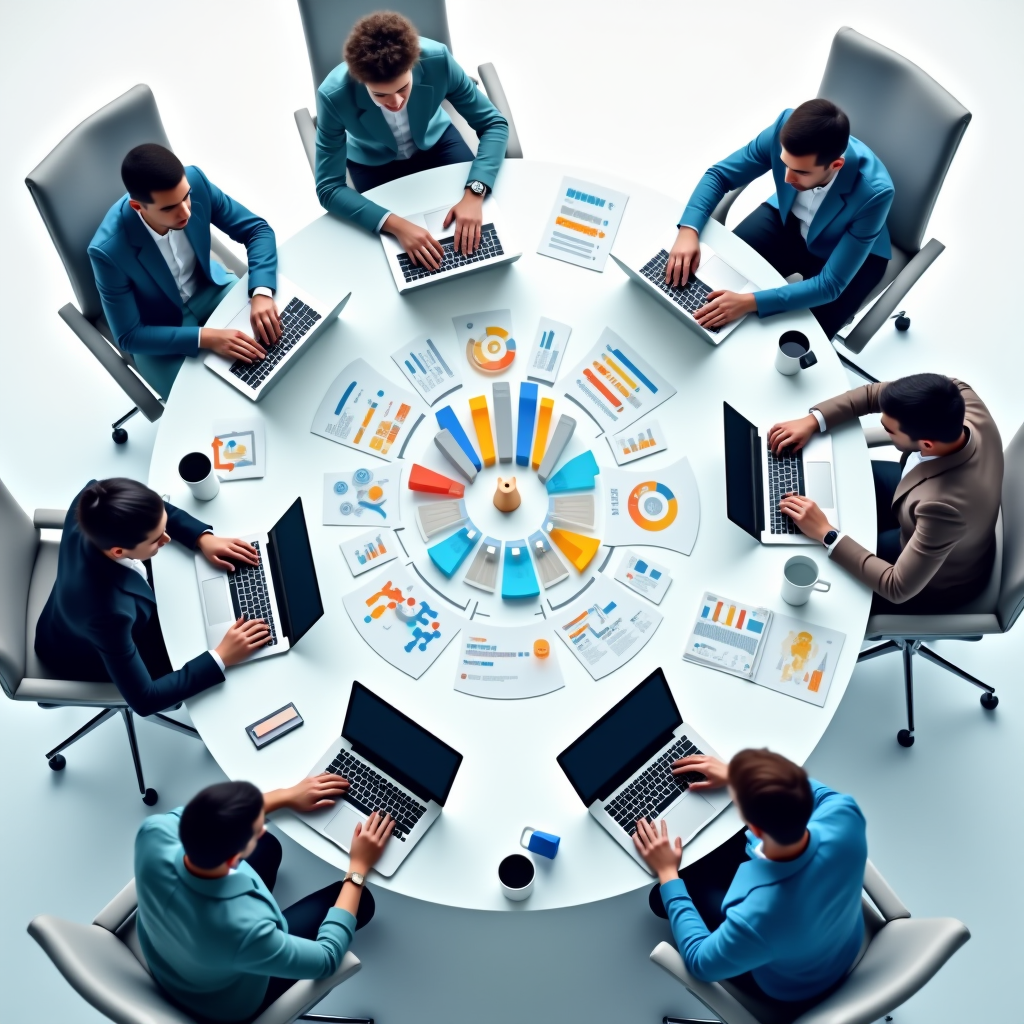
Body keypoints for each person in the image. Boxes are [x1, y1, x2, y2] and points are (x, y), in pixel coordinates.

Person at [135, 775, 393, 1022]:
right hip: (223, 1003)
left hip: (168, 960)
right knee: (362, 901)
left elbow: (214, 817)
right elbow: (326, 959)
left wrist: (287, 795)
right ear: (234, 859)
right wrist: (358, 867)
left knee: (268, 846)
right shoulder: (246, 932)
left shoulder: (153, 832)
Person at [638, 749, 867, 1021]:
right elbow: (815, 793)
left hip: (794, 989)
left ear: (755, 829)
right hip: (846, 944)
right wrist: (741, 778)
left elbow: (699, 961)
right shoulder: (846, 816)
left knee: (662, 896)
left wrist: (666, 872)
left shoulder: (756, 918)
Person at [35, 477, 271, 716]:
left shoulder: (93, 500)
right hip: (85, 653)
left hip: (77, 611)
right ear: (118, 551)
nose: (166, 539)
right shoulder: (107, 615)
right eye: (155, 540)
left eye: (164, 529)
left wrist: (202, 538)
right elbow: (146, 700)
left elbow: (155, 508)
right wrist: (221, 657)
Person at [769, 374, 1002, 612]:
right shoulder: (960, 395)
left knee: (825, 566)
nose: (883, 427)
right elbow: (874, 394)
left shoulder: (945, 509)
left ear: (927, 444)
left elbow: (896, 587)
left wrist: (825, 533)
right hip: (915, 493)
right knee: (840, 475)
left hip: (934, 579)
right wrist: (813, 420)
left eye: (888, 430)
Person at [668, 99, 893, 340]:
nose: (787, 179)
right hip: (786, 223)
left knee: (796, 342)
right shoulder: (783, 129)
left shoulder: (875, 193)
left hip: (847, 254)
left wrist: (749, 302)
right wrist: (688, 230)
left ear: (836, 165)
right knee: (711, 283)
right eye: (785, 164)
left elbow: (829, 285)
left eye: (801, 172)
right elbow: (721, 175)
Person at [314, 11, 509, 268]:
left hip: (436, 142)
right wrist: (396, 225)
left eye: (403, 88)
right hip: (373, 163)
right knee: (392, 259)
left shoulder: (438, 59)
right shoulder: (333, 95)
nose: (395, 103)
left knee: (485, 230)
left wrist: (474, 193)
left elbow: (494, 123)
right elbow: (328, 188)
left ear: (413, 66)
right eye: (380, 95)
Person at [89, 143, 283, 399]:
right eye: (169, 208)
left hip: (211, 288)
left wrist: (261, 292)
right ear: (138, 207)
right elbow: (129, 336)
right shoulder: (108, 251)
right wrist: (207, 338)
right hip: (158, 329)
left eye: (186, 197)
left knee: (277, 351)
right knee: (206, 405)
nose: (186, 212)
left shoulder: (195, 181)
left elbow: (257, 231)